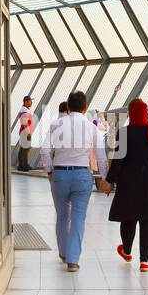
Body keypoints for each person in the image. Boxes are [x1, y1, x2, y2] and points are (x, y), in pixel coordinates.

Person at [41, 90, 109, 271]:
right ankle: (73, 259)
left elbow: (44, 150)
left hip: (60, 175)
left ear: (68, 106)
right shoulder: (91, 127)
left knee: (62, 216)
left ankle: (63, 252)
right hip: (81, 176)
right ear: (85, 108)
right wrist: (105, 178)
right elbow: (101, 157)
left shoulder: (56, 125)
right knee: (79, 217)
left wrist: (49, 171)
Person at [104, 98, 148, 271]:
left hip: (130, 181)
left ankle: (127, 251)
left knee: (129, 218)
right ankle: (144, 261)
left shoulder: (125, 133)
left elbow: (119, 161)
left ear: (131, 113)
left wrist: (109, 181)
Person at [14, 95, 36, 171]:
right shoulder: (24, 110)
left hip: (24, 131)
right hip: (25, 131)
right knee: (26, 149)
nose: (31, 102)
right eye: (30, 101)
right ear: (26, 102)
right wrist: (28, 132)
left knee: (23, 149)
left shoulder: (26, 109)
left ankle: (21, 165)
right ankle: (24, 166)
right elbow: (24, 122)